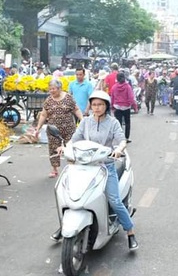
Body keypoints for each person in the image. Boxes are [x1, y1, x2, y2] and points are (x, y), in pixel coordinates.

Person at [51, 90, 138, 250]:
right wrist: (65, 147)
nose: (97, 108)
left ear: (106, 106)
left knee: (115, 201)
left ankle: (130, 232)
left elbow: (121, 140)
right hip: (84, 165)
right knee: (65, 193)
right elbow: (75, 139)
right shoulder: (85, 122)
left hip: (106, 165)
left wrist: (119, 149)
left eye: (100, 105)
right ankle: (64, 225)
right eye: (94, 105)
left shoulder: (113, 123)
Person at [35, 79, 83, 177]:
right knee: (53, 148)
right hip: (53, 130)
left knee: (70, 148)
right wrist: (38, 127)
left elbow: (76, 109)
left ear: (60, 88)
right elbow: (44, 115)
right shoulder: (48, 100)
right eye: (50, 89)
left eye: (54, 89)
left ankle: (71, 167)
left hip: (69, 129)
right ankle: (54, 169)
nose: (51, 91)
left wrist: (83, 120)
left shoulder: (68, 98)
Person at [110, 72, 138, 141]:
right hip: (126, 107)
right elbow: (131, 98)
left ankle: (120, 138)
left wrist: (112, 107)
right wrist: (134, 106)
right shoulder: (128, 87)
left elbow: (112, 97)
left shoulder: (114, 87)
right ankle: (127, 138)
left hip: (117, 107)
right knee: (127, 122)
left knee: (118, 123)